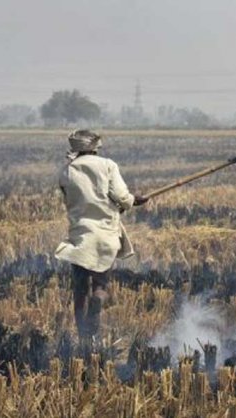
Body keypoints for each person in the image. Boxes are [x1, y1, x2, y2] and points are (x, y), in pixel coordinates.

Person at [55, 129, 147, 342]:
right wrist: (134, 200)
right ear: (95, 147)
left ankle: (83, 337)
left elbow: (78, 201)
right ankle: (97, 302)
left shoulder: (66, 172)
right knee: (100, 285)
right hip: (105, 236)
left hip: (80, 238)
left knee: (79, 290)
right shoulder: (108, 165)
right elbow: (122, 198)